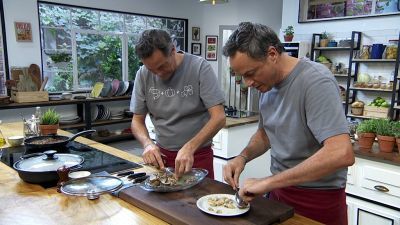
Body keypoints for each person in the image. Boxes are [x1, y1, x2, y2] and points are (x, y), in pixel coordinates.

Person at [222, 22, 354, 225]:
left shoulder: (316, 81)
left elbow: (340, 153)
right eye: (242, 76)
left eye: (250, 73)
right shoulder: (267, 85)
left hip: (318, 201)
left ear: (272, 54)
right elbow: (266, 134)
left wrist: (267, 182)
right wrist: (242, 157)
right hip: (279, 197)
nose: (248, 83)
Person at [130, 29, 226, 179]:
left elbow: (219, 117)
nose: (158, 74)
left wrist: (190, 147)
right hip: (162, 158)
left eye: (162, 66)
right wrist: (147, 144)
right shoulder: (142, 74)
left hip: (197, 155)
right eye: (152, 69)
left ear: (173, 50)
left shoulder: (199, 67)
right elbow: (137, 121)